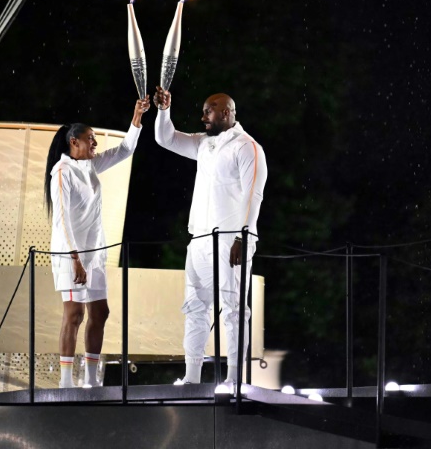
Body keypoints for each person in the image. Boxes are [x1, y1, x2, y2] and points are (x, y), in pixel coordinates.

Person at [153, 86, 267, 387]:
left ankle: (234, 380)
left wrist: (244, 237)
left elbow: (253, 195)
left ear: (226, 113)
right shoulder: (204, 144)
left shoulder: (247, 147)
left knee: (233, 309)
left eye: (208, 111)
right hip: (200, 238)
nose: (202, 116)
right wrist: (164, 110)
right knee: (195, 307)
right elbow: (164, 138)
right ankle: (191, 377)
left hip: (232, 240)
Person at [45, 96, 149, 388]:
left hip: (94, 253)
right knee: (75, 313)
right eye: (90, 139)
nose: (95, 144)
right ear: (73, 143)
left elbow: (126, 149)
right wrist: (75, 258)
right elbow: (62, 221)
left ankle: (90, 380)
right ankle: (66, 382)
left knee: (100, 312)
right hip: (70, 255)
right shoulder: (61, 173)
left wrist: (137, 115)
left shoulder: (90, 166)